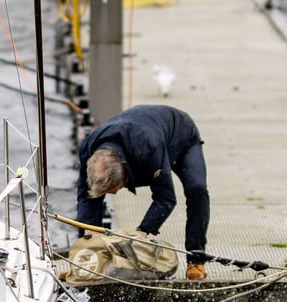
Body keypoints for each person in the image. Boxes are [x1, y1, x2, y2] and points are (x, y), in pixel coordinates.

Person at [75, 105, 211, 280]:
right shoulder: (88, 149)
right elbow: (86, 197)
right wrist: (90, 236)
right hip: (147, 133)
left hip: (182, 136)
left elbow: (166, 199)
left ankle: (196, 259)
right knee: (91, 211)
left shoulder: (147, 148)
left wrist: (140, 233)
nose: (114, 195)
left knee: (197, 189)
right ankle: (92, 265)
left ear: (125, 177)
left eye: (113, 190)